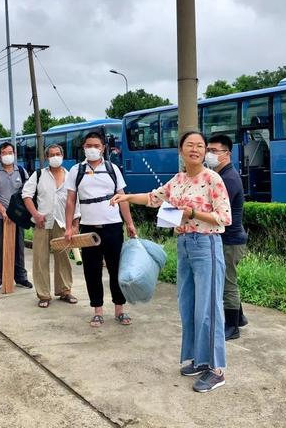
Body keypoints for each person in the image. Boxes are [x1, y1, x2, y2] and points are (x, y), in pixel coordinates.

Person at [110, 131, 231, 393]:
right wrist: (127, 197)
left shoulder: (213, 179)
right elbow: (155, 198)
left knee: (208, 308)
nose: (195, 149)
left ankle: (216, 369)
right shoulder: (178, 180)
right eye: (190, 145)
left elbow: (225, 217)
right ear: (181, 151)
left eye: (200, 146)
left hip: (206, 244)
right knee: (188, 305)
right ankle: (200, 360)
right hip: (185, 245)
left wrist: (192, 212)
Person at [64, 131, 137, 327]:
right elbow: (71, 200)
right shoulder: (76, 171)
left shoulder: (112, 169)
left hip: (113, 226)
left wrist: (129, 223)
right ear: (84, 148)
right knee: (92, 270)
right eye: (88, 146)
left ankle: (119, 309)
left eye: (96, 146)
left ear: (103, 148)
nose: (92, 149)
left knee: (116, 269)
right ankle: (97, 310)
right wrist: (70, 226)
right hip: (88, 228)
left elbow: (122, 198)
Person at [22, 144, 80, 308]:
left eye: (57, 154)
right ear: (47, 158)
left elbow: (76, 202)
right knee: (40, 258)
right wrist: (35, 214)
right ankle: (44, 294)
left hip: (63, 223)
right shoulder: (39, 174)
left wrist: (75, 224)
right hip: (42, 222)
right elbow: (26, 195)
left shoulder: (70, 177)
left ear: (62, 155)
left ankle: (64, 291)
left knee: (63, 258)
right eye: (51, 155)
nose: (55, 157)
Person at [206, 134, 249, 340]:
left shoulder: (228, 179)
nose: (209, 154)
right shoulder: (221, 175)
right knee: (227, 280)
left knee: (227, 284)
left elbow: (218, 212)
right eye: (208, 150)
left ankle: (232, 327)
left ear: (227, 154)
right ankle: (239, 317)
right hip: (230, 239)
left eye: (214, 151)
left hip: (230, 241)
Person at [0, 142, 33, 292]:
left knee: (19, 247)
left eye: (10, 152)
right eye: (4, 153)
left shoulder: (21, 171)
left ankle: (20, 277)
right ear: (0, 155)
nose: (7, 155)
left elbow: (26, 193)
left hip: (18, 216)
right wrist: (2, 210)